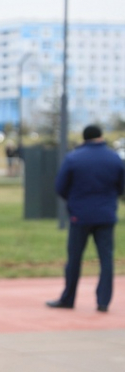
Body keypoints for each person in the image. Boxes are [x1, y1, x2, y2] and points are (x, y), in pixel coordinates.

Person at [47, 124, 125, 313]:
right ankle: (103, 301)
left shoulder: (74, 158)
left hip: (80, 215)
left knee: (74, 258)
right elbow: (122, 187)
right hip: (106, 215)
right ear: (101, 136)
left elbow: (60, 186)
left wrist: (74, 202)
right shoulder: (115, 159)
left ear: (84, 138)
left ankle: (68, 298)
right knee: (106, 259)